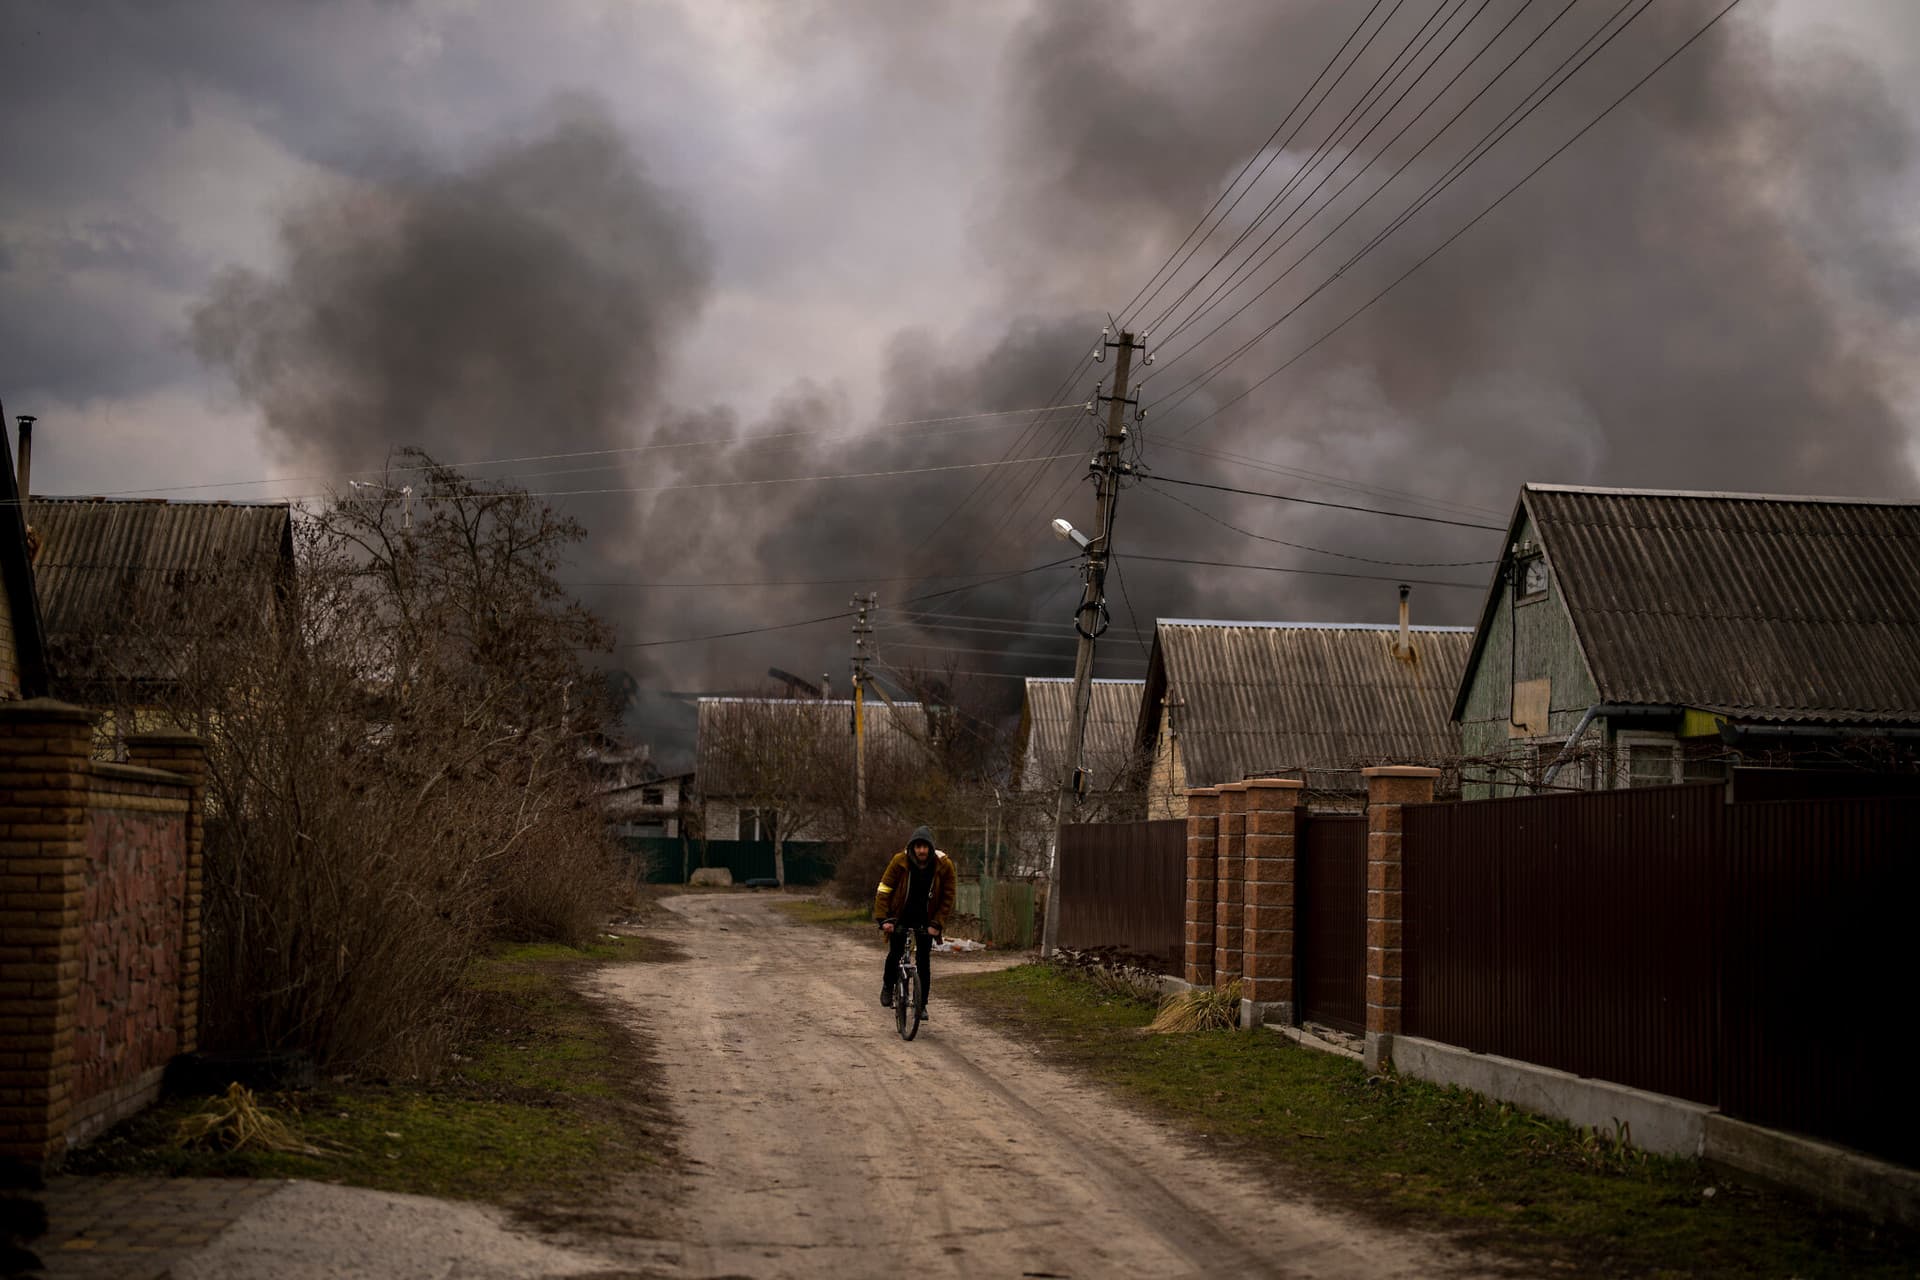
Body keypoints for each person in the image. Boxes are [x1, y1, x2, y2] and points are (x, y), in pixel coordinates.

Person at [873, 824, 957, 1016]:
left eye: (925, 847)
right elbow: (884, 889)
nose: (921, 850)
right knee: (895, 953)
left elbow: (948, 897)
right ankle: (888, 985)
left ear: (931, 848)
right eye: (918, 846)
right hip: (900, 916)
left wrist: (937, 923)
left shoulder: (944, 865)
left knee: (923, 961)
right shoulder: (899, 861)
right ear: (912, 847)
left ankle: (922, 1004)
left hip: (927, 920)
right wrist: (884, 919)